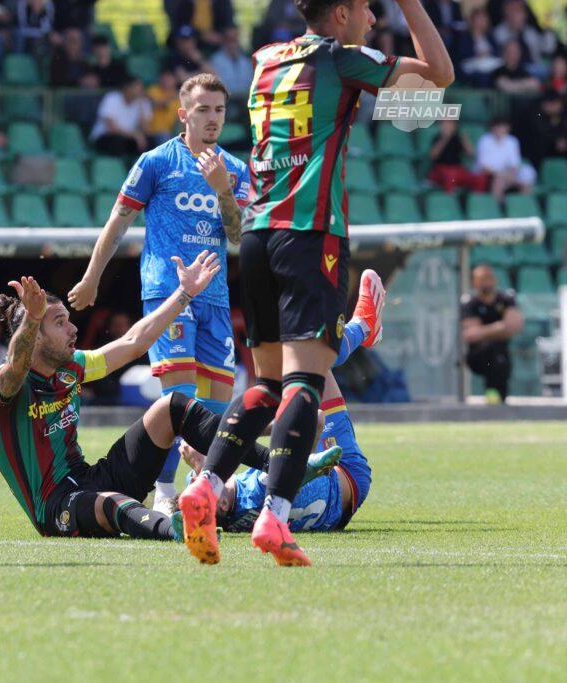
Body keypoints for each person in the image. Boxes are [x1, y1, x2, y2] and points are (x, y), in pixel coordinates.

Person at [179, 0, 452, 567]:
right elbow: (440, 76)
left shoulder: (265, 60)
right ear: (343, 13)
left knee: (266, 385)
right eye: (370, 10)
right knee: (305, 382)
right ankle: (274, 519)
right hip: (309, 235)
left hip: (255, 234)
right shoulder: (341, 59)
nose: (375, 20)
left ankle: (205, 486)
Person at [71, 73, 249, 516]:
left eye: (219, 110)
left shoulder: (235, 169)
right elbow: (118, 222)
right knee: (179, 401)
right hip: (169, 294)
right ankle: (166, 493)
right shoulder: (156, 162)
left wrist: (224, 191)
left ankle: (201, 491)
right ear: (183, 114)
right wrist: (93, 276)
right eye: (203, 110)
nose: (212, 119)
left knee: (215, 406)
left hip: (215, 297)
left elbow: (240, 237)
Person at [0, 255, 220, 540]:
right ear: (35, 336)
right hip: (56, 506)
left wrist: (185, 293)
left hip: (92, 479)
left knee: (173, 406)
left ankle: (275, 466)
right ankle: (182, 530)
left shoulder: (72, 368)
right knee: (109, 503)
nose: (73, 330)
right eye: (60, 323)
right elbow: (16, 368)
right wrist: (32, 319)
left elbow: (134, 342)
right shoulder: (4, 386)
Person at [179, 372, 370, 533]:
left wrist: (199, 469)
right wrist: (240, 429)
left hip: (337, 515)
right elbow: (316, 419)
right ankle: (364, 329)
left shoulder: (237, 520)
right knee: (313, 361)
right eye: (198, 485)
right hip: (347, 471)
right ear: (222, 505)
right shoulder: (262, 485)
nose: (198, 480)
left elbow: (202, 483)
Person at [461, 264, 523, 404]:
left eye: (490, 278)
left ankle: (499, 400)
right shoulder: (470, 303)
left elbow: (514, 326)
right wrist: (500, 327)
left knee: (499, 354)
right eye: (483, 278)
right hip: (478, 356)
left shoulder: (506, 299)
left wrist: (485, 331)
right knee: (491, 348)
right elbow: (471, 335)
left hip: (502, 357)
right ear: (474, 282)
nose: (487, 282)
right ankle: (492, 394)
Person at [89, 77, 153, 157]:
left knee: (150, 141)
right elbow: (112, 128)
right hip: (105, 137)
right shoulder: (111, 98)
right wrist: (135, 135)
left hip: (128, 138)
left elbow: (146, 130)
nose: (139, 90)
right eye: (136, 87)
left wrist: (141, 105)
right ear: (127, 88)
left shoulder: (142, 103)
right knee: (117, 142)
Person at [475, 117, 536, 201]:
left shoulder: (512, 141)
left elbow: (515, 164)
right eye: (498, 127)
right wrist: (502, 175)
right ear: (492, 128)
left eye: (503, 127)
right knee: (499, 181)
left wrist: (510, 175)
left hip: (507, 174)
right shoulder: (485, 140)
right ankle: (498, 208)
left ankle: (521, 207)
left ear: (508, 128)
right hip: (489, 175)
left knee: (527, 177)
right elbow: (483, 167)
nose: (500, 129)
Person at [427, 119, 487, 193]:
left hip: (458, 169)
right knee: (450, 175)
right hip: (441, 170)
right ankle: (450, 201)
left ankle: (476, 201)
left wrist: (465, 139)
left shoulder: (459, 138)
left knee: (479, 178)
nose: (447, 126)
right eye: (444, 124)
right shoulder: (437, 138)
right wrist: (444, 139)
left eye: (450, 124)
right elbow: (432, 156)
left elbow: (471, 153)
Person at [209, 26, 254, 104]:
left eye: (235, 39)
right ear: (224, 40)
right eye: (229, 39)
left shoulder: (246, 61)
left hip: (246, 102)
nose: (233, 42)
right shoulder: (215, 60)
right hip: (226, 102)